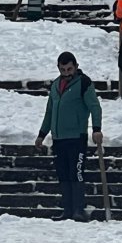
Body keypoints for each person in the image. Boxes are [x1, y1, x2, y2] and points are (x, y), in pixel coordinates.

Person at [35, 52, 103, 222]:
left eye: (69, 68)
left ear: (76, 66)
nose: (66, 72)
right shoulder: (56, 85)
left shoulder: (84, 83)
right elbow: (50, 112)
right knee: (63, 174)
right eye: (63, 69)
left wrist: (96, 128)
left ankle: (78, 209)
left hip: (76, 137)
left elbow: (95, 107)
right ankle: (67, 209)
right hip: (59, 138)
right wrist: (42, 134)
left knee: (76, 173)